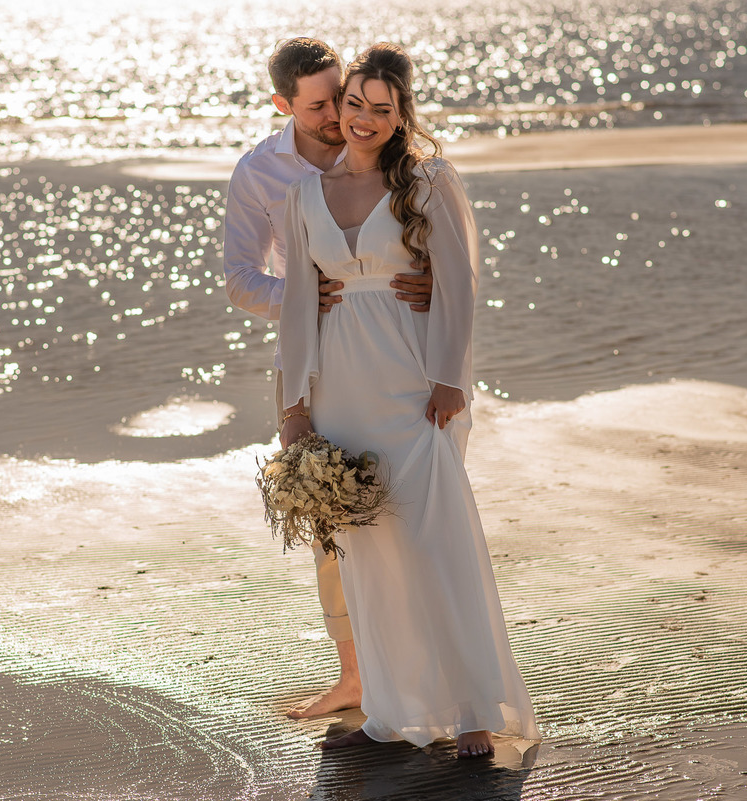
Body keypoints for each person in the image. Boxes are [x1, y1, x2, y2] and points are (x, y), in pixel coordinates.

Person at [278, 43, 540, 758]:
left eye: (379, 108)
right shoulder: (304, 195)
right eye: (352, 104)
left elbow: (459, 281)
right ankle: (393, 704)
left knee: (432, 541)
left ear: (400, 117)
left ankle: (472, 710)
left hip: (411, 381)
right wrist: (294, 408)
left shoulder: (427, 181)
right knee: (369, 550)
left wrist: (449, 376)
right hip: (340, 388)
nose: (362, 118)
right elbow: (298, 306)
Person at [223, 37, 434, 719]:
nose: (336, 116)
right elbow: (239, 278)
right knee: (330, 511)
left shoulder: (380, 148)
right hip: (308, 358)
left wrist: (429, 283)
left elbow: (433, 237)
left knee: (407, 502)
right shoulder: (259, 172)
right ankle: (355, 677)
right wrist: (299, 297)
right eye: (317, 106)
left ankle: (422, 668)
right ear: (282, 104)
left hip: (391, 354)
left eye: (338, 97)